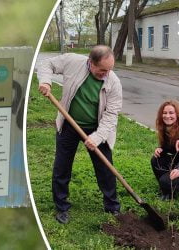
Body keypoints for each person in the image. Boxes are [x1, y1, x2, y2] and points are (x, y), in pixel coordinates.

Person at [38, 45, 122, 224]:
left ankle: (112, 206)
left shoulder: (113, 82)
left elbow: (111, 114)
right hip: (69, 124)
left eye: (109, 70)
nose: (106, 74)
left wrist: (97, 137)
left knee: (105, 169)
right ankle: (61, 207)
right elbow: (46, 64)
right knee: (62, 167)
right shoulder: (72, 61)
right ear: (90, 63)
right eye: (102, 70)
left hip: (97, 127)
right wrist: (45, 81)